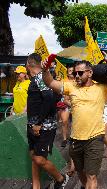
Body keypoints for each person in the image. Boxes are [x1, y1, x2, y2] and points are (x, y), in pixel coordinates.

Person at [41, 59, 107, 189]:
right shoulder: (71, 86)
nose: (76, 76)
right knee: (81, 172)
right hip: (76, 140)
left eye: (80, 73)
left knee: (92, 176)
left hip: (95, 139)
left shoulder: (103, 88)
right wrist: (45, 70)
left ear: (90, 72)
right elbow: (50, 82)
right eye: (75, 73)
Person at [25, 53, 69, 189]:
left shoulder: (40, 78)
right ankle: (36, 186)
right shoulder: (36, 79)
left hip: (44, 126)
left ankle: (61, 179)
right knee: (34, 156)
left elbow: (49, 98)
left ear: (28, 64)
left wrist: (38, 123)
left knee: (39, 159)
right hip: (33, 125)